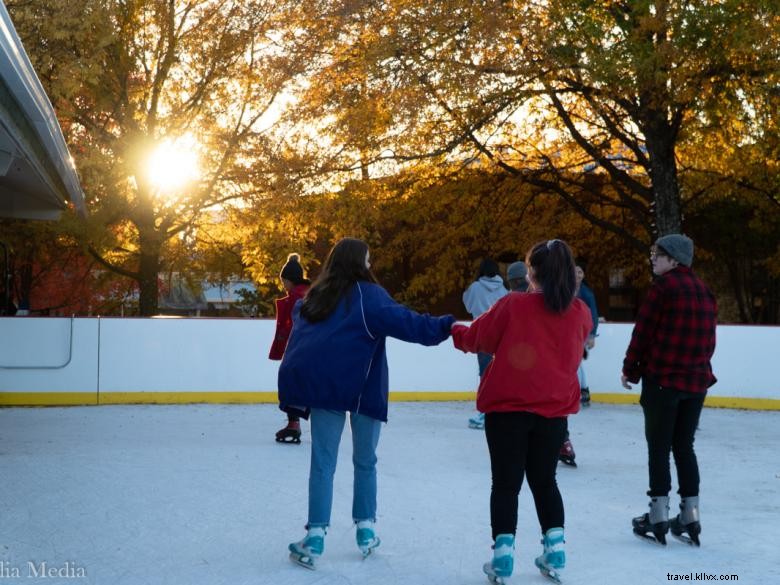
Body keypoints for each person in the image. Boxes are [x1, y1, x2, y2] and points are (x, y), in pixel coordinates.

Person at [278, 237, 455, 568]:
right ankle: (365, 529)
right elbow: (410, 324)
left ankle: (315, 535)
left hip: (325, 390)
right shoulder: (368, 296)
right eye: (369, 260)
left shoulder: (315, 297)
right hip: (363, 390)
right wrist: (448, 326)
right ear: (360, 263)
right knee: (365, 460)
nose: (371, 266)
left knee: (322, 462)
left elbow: (301, 336)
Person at [451, 239, 592, 583]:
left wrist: (452, 329)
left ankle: (502, 557)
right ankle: (555, 549)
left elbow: (476, 339)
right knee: (545, 482)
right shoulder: (579, 313)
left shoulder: (513, 305)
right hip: (554, 413)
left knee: (505, 485)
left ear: (531, 271)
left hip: (507, 410)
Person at [621, 234, 717, 547]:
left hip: (663, 381)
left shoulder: (663, 288)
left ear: (673, 260)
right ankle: (690, 514)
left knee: (659, 447)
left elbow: (643, 332)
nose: (653, 259)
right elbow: (709, 342)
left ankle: (658, 514)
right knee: (684, 446)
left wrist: (630, 369)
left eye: (657, 254)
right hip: (696, 382)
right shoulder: (705, 291)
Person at [558, 257, 600, 468]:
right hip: (569, 336)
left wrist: (591, 334)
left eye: (580, 273)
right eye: (575, 272)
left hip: (580, 334)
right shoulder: (563, 290)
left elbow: (592, 313)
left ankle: (583, 390)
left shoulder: (585, 293)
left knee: (577, 365)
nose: (577, 276)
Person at [269, 253, 311, 444]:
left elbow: (293, 326)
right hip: (308, 349)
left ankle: (294, 424)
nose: (283, 285)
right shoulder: (310, 293)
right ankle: (296, 423)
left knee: (288, 380)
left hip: (301, 350)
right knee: (301, 383)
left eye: (284, 281)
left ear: (290, 280)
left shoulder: (297, 298)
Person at [462, 258, 508, 429]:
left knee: (485, 372)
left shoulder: (475, 287)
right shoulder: (504, 288)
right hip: (502, 336)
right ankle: (498, 409)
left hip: (482, 334)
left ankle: (485, 410)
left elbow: (468, 306)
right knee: (500, 372)